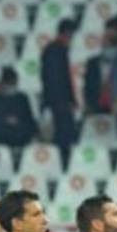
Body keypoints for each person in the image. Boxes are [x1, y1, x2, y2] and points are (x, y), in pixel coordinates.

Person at [42, 19, 79, 162]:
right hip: (58, 102)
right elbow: (56, 80)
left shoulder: (56, 49)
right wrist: (65, 101)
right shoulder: (55, 51)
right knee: (63, 137)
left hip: (60, 101)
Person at [0, 68, 37, 149]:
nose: (10, 87)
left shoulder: (22, 99)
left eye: (12, 84)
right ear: (2, 83)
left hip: (19, 137)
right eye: (8, 84)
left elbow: (29, 121)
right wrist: (6, 121)